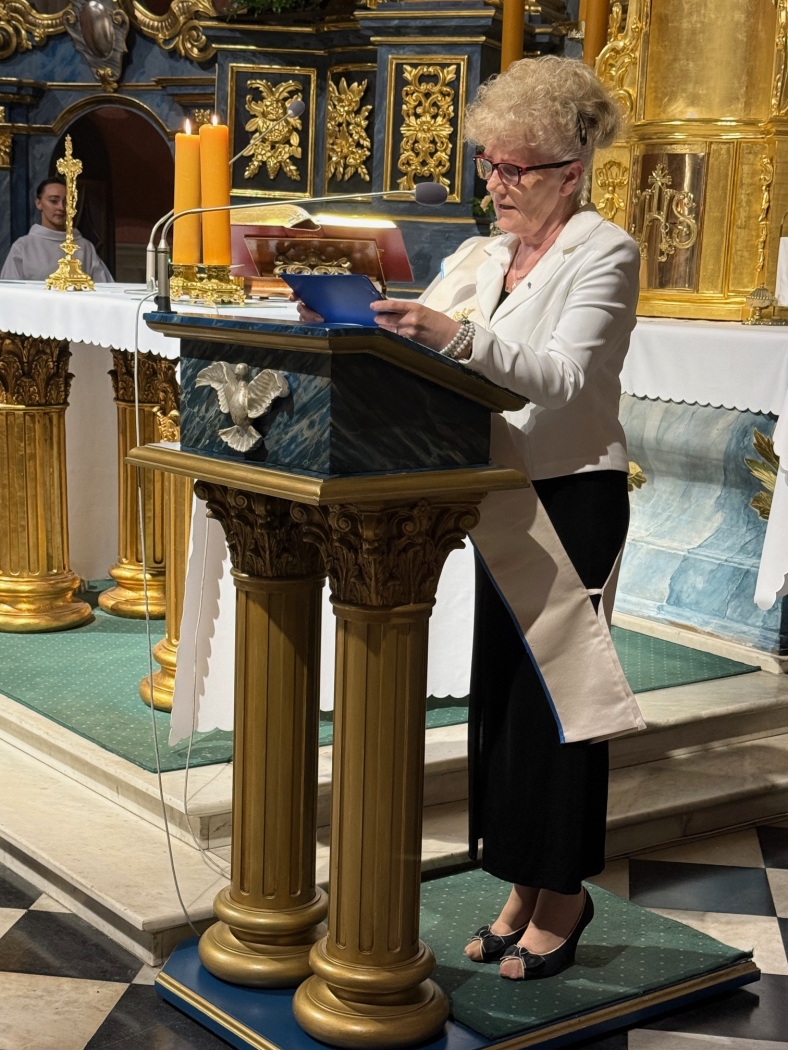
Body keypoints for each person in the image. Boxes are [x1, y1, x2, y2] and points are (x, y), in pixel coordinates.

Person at [297, 55, 645, 981]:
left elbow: (562, 381)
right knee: (503, 704)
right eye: (489, 163)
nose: (496, 183)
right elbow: (414, 341)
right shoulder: (480, 254)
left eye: (516, 168)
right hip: (492, 494)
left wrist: (452, 335)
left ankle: (562, 896)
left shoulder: (604, 252)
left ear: (570, 171)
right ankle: (520, 887)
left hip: (569, 496)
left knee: (560, 706)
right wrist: (353, 315)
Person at [0, 176, 113, 282]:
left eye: (67, 202)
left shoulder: (85, 247)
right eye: (54, 201)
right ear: (39, 203)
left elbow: (104, 288)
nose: (61, 208)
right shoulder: (23, 246)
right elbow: (10, 290)